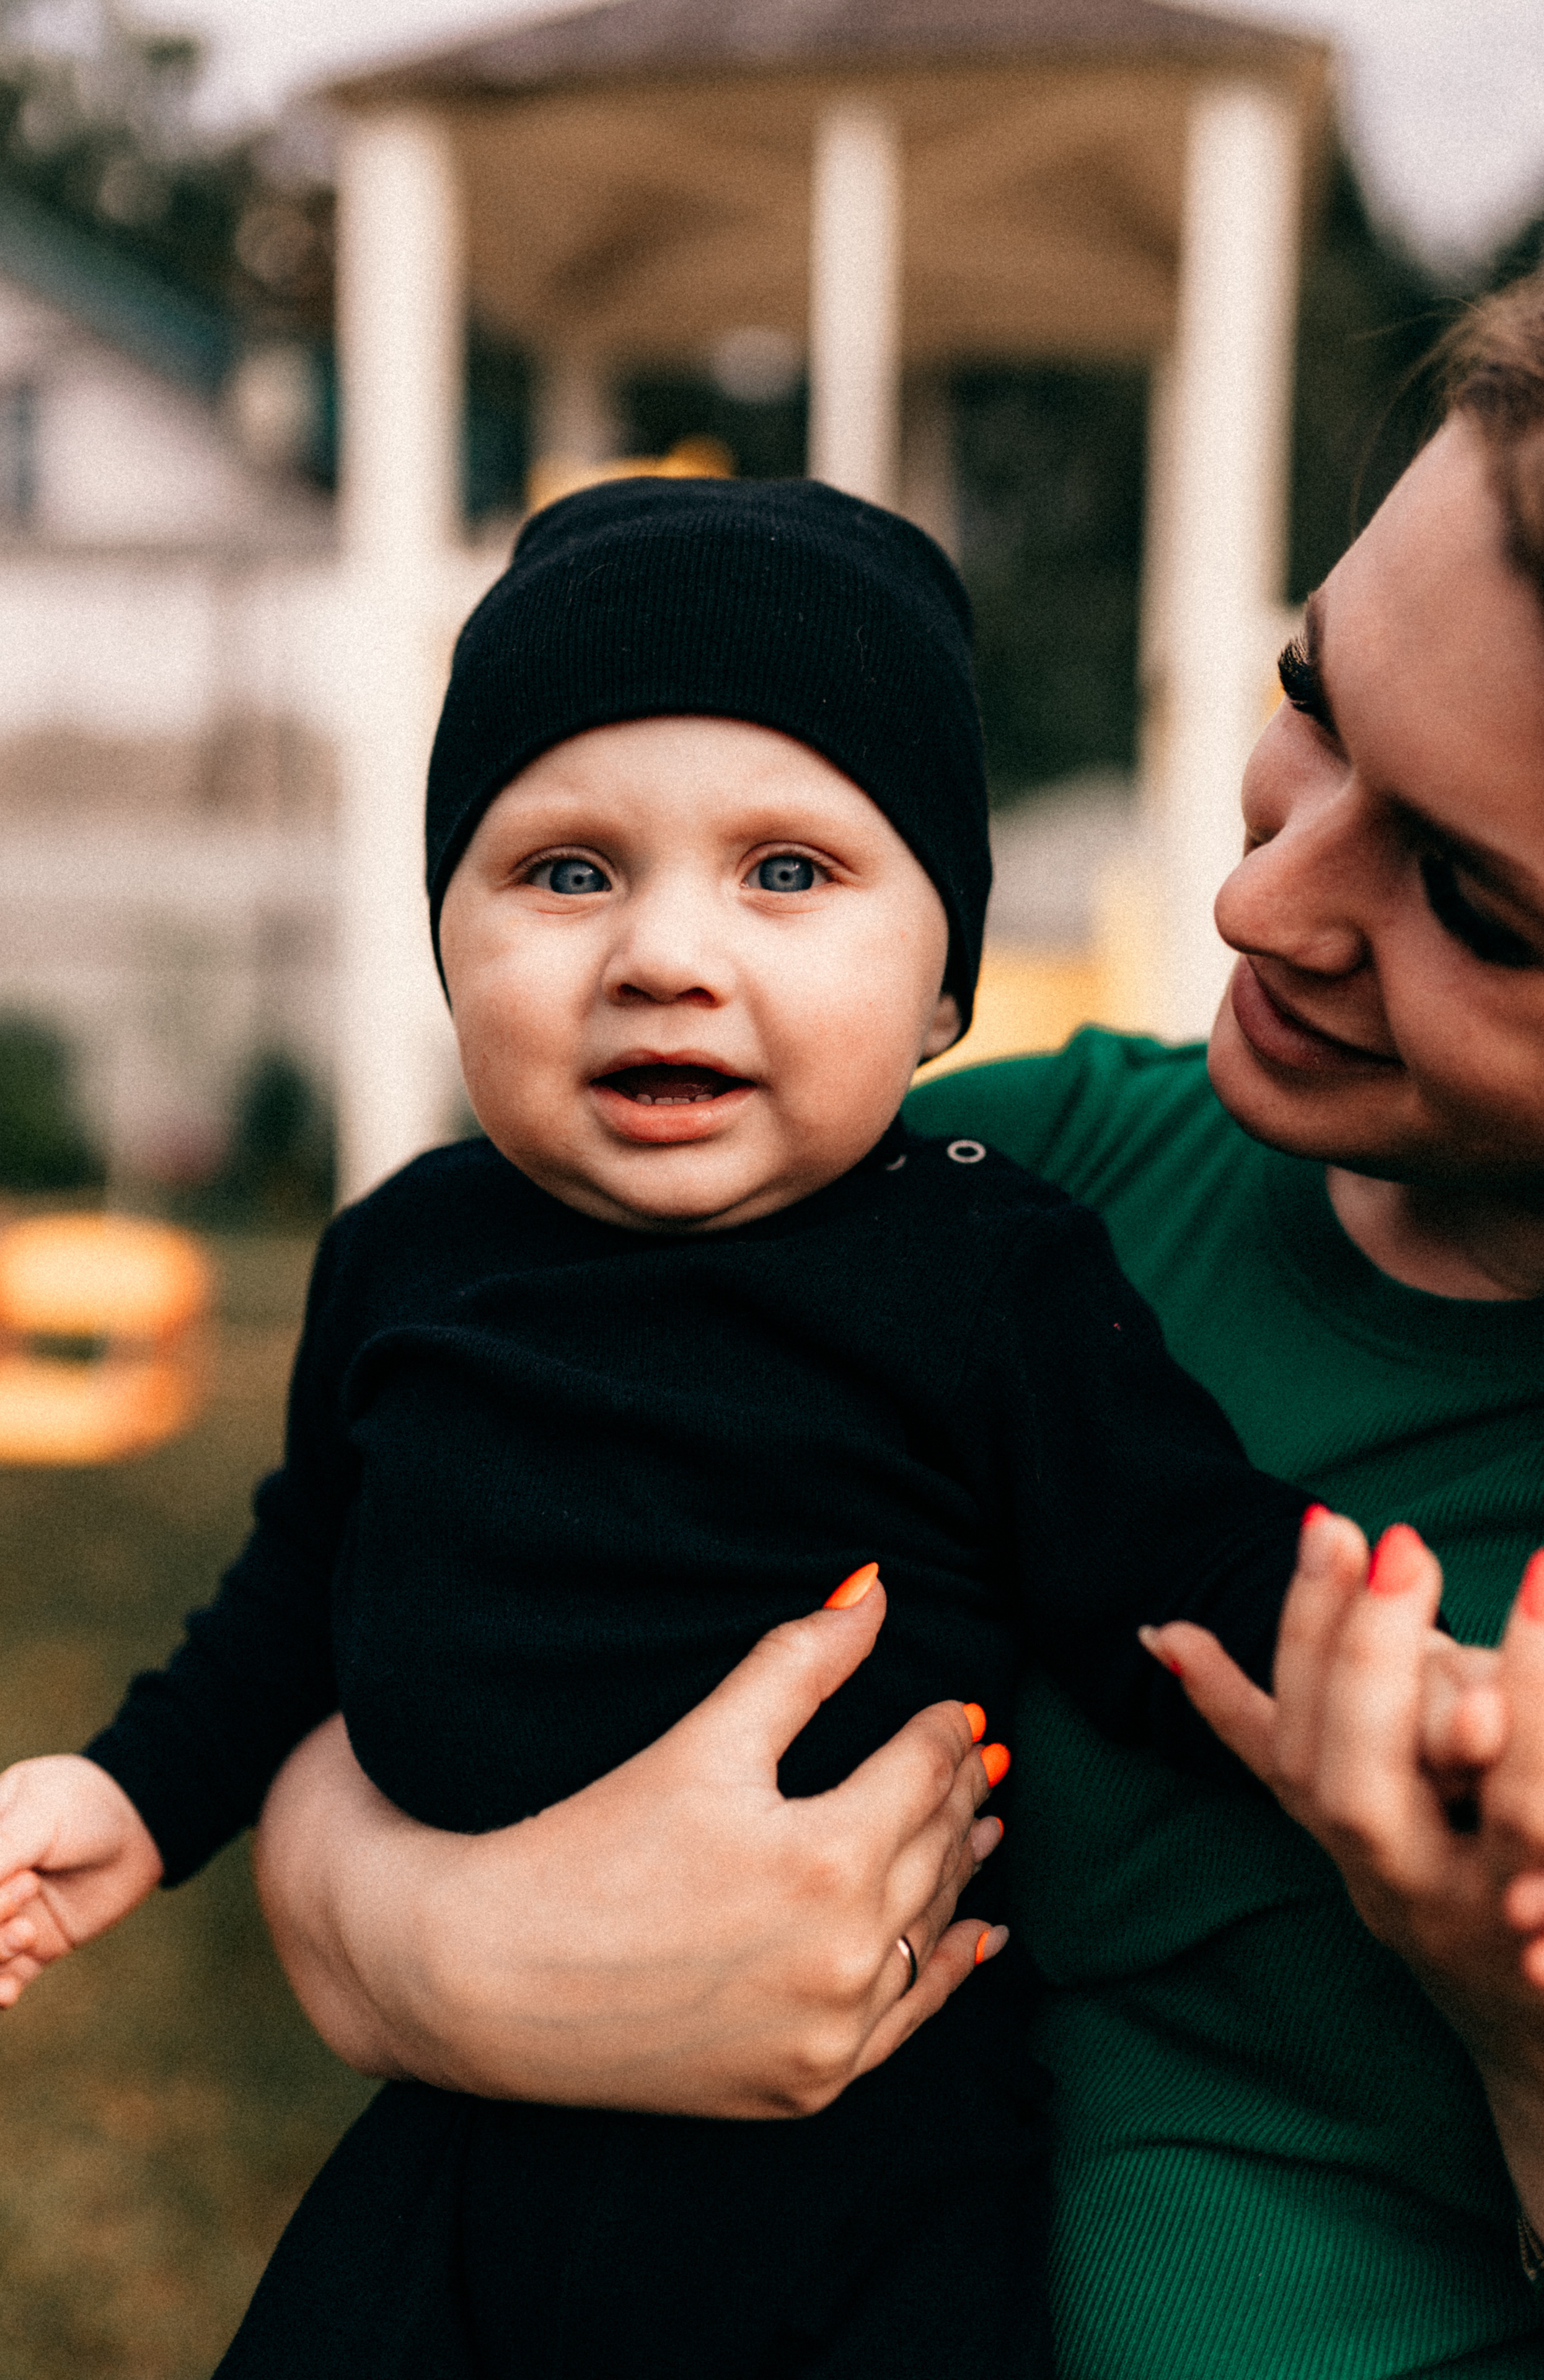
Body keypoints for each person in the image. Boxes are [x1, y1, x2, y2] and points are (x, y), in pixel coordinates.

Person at [215, 271, 1544, 2378]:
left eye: (1477, 904)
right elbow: (370, 1607)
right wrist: (450, 1956)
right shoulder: (964, 1194)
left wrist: (1518, 2030)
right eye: (1311, 698)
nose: (1259, 904)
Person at [0, 475, 1361, 2379]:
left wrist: (1403, 1698)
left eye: (788, 872)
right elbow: (300, 1587)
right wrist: (131, 1796)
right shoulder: (409, 1258)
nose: (663, 955)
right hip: (469, 2167)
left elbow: (1183, 1561)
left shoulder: (989, 1268)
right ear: (445, 930)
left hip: (870, 2182)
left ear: (943, 977)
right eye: (565, 870)